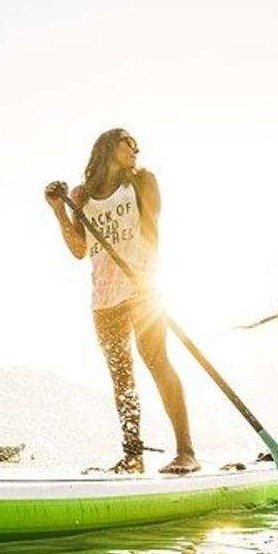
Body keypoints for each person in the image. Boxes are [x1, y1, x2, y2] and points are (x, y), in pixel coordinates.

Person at [44, 128, 200, 474]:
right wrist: (59, 209)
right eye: (127, 142)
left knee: (158, 362)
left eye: (136, 145)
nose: (135, 148)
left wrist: (149, 280)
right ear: (106, 146)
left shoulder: (142, 181)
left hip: (141, 289)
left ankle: (186, 451)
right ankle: (133, 455)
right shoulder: (82, 196)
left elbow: (152, 230)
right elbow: (79, 249)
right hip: (103, 297)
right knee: (121, 377)